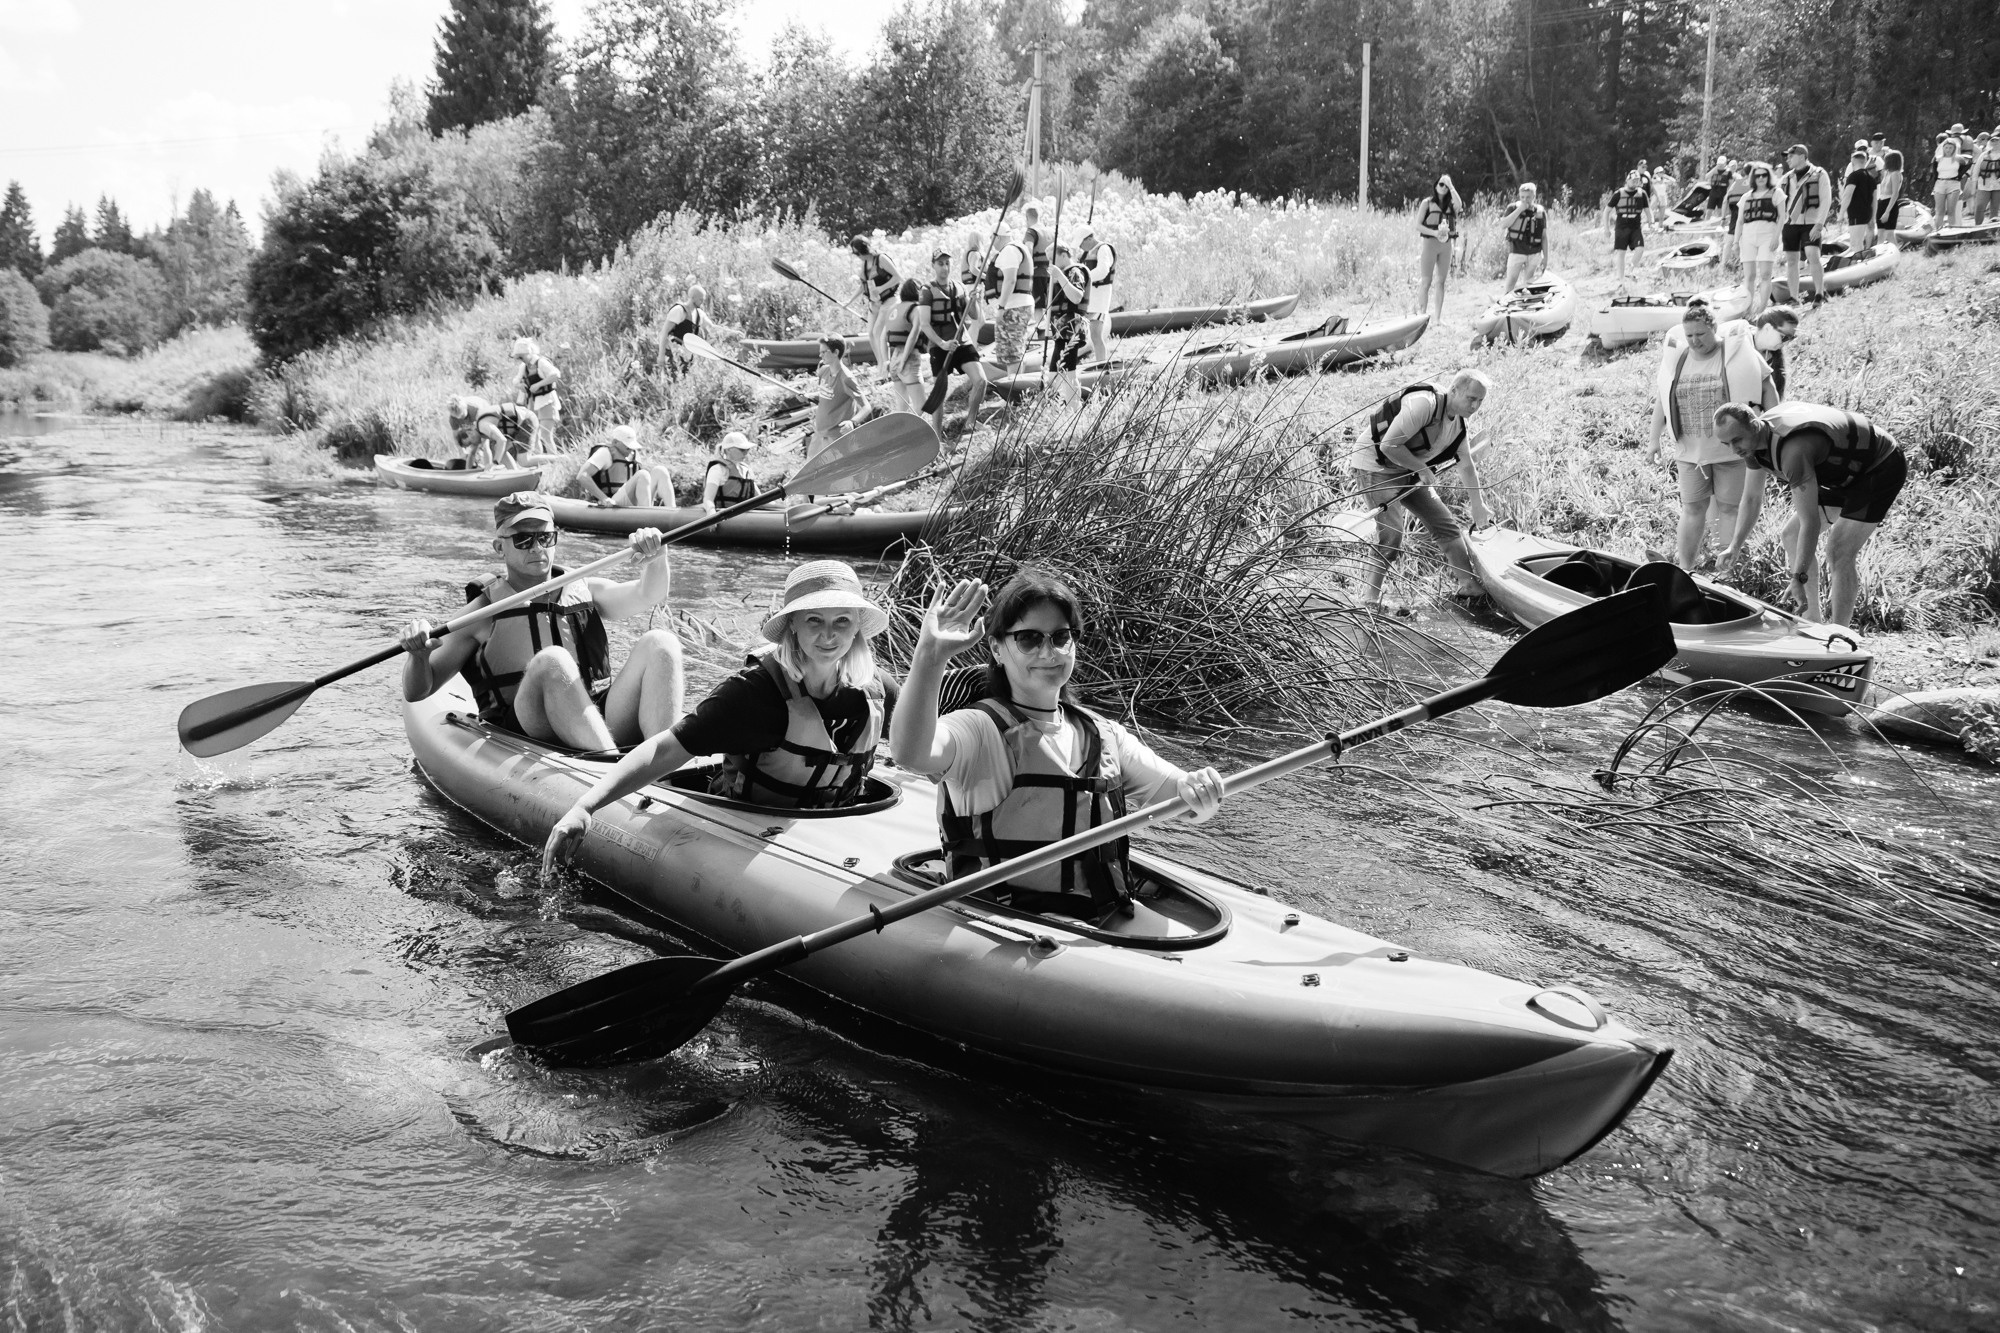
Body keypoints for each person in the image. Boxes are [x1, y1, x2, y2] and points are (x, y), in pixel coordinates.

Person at [889, 569, 1225, 922]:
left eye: (1060, 637)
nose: (1048, 652)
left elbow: (1185, 804)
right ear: (997, 649)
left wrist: (1201, 793)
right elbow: (910, 754)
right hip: (1003, 920)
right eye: (1029, 639)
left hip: (1097, 917)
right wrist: (930, 656)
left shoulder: (1103, 734)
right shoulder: (979, 729)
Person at [540, 563, 898, 871]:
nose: (829, 634)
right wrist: (585, 806)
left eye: (842, 621)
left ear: (857, 628)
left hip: (834, 828)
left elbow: (919, 751)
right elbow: (665, 750)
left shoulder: (878, 690)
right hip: (746, 826)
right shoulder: (753, 695)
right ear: (793, 627)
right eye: (814, 620)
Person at [400, 492, 683, 751]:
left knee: (661, 642)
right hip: (530, 726)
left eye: (545, 538)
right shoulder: (482, 613)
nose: (536, 548)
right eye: (523, 540)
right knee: (552, 661)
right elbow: (419, 691)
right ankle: (612, 765)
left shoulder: (585, 588)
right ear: (500, 547)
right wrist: (419, 657)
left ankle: (661, 762)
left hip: (598, 714)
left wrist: (656, 559)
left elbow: (649, 594)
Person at [1715, 401, 1907, 627]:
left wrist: (1799, 576)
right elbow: (1752, 498)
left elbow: (1811, 523)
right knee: (1791, 536)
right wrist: (1734, 546)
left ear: (1755, 425)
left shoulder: (1793, 451)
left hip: (1879, 466)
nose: (1734, 449)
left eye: (1736, 440)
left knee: (1839, 550)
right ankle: (1811, 622)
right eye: (1726, 443)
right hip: (1842, 471)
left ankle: (1840, 636)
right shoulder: (1752, 446)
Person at [1649, 299, 1780, 572]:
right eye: (1690, 336)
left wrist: (1775, 428)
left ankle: (1728, 572)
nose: (1695, 341)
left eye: (1701, 334)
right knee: (1692, 508)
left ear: (1714, 329)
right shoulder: (1680, 358)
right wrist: (1653, 441)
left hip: (1732, 452)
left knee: (1730, 508)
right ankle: (1686, 569)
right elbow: (1662, 400)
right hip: (1690, 452)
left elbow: (1767, 387)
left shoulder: (1735, 353)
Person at [1349, 370, 1494, 608]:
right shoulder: (1424, 405)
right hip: (1375, 468)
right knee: (1392, 536)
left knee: (1445, 524)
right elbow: (1389, 445)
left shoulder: (1458, 427)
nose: (1476, 405)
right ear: (1454, 390)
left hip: (1408, 470)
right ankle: (1369, 601)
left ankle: (1468, 586)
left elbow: (1467, 466)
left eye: (1480, 400)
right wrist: (1423, 469)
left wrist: (1478, 506)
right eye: (1471, 398)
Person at [912, 250, 988, 437]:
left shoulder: (960, 288)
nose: (945, 267)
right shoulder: (927, 291)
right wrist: (942, 343)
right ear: (933, 265)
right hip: (940, 346)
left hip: (962, 342)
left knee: (981, 381)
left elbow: (975, 316)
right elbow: (924, 324)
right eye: (940, 264)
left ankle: (970, 420)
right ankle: (937, 436)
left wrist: (975, 300)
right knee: (939, 393)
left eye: (947, 263)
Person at [1730, 162, 1785, 316]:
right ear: (1753, 177)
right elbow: (1740, 221)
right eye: (1758, 175)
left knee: (1766, 274)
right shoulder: (1746, 197)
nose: (1761, 178)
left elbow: (1782, 217)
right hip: (1748, 238)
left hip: (1767, 237)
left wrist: (1776, 237)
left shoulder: (1776, 193)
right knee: (1749, 276)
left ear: (1768, 176)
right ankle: (1747, 309)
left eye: (1764, 175)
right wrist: (1735, 243)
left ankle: (1762, 309)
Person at [1779, 144, 1831, 305]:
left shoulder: (1820, 174)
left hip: (1811, 223)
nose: (1787, 159)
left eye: (1790, 156)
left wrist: (1819, 225)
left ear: (1802, 156)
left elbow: (1825, 200)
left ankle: (1819, 294)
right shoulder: (1786, 178)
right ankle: (1794, 298)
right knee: (1792, 260)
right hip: (1790, 224)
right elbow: (1779, 203)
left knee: (1812, 256)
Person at [579, 424, 676, 509]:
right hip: (613, 502)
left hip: (633, 500)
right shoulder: (605, 453)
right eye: (627, 446)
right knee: (643, 475)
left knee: (660, 471)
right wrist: (604, 499)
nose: (630, 450)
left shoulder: (633, 454)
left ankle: (672, 513)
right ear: (615, 442)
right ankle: (646, 517)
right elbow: (582, 476)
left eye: (632, 447)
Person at [1044, 245, 1092, 408]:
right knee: (1055, 374)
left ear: (1064, 255)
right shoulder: (1062, 274)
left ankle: (1074, 408)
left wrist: (1060, 276)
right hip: (1062, 331)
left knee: (1067, 372)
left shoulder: (1074, 272)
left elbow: (1077, 297)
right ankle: (1061, 407)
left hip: (1073, 328)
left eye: (1053, 258)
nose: (1050, 262)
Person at [989, 223, 1038, 379]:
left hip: (1014, 306)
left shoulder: (1009, 251)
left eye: (992, 237)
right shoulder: (1016, 248)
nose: (991, 241)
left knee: (1012, 351)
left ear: (998, 237)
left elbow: (1010, 280)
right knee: (1014, 350)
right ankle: (1016, 383)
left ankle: (1014, 387)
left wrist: (1001, 307)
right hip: (1020, 304)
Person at [810, 337, 870, 458]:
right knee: (812, 474)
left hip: (836, 439)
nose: (820, 355)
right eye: (820, 351)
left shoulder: (846, 378)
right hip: (819, 434)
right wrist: (809, 396)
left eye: (824, 352)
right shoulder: (823, 371)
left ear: (836, 352)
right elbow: (828, 395)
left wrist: (852, 422)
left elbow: (866, 407)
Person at [1416, 175, 1463, 318]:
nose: (1443, 187)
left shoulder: (1452, 205)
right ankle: (1422, 316)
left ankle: (1437, 318)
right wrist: (1435, 233)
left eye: (1446, 185)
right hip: (1430, 245)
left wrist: (1451, 186)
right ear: (1435, 186)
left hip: (1446, 246)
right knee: (1426, 281)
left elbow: (1459, 205)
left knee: (1441, 282)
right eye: (1441, 184)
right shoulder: (1427, 203)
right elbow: (1418, 226)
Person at [448, 395, 537, 469]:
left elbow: (501, 440)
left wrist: (494, 463)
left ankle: (551, 459)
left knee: (523, 461)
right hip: (513, 426)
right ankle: (514, 472)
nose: (472, 445)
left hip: (525, 420)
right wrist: (467, 470)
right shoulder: (454, 420)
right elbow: (471, 449)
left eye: (470, 443)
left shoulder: (479, 417)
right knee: (498, 449)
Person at [852, 234, 901, 366]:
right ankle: (881, 365)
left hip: (889, 300)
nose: (858, 257)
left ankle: (887, 365)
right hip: (874, 304)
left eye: (858, 254)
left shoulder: (881, 259)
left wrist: (881, 288)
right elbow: (863, 286)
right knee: (871, 334)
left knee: (878, 332)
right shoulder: (864, 265)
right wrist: (849, 302)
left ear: (864, 251)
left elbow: (897, 277)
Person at [882, 271, 926, 415]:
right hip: (909, 358)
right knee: (920, 406)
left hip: (894, 358)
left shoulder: (893, 308)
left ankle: (902, 435)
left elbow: (883, 337)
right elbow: (913, 336)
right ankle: (921, 436)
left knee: (902, 407)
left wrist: (886, 361)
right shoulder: (917, 309)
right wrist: (904, 360)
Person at [510, 338, 562, 451]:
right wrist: (520, 386)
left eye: (521, 357)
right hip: (533, 402)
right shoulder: (524, 367)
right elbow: (515, 381)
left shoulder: (541, 362)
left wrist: (538, 385)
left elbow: (555, 375)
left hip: (547, 401)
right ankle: (541, 460)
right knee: (535, 435)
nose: (520, 360)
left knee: (546, 435)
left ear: (528, 353)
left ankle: (553, 460)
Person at [659, 284, 720, 375]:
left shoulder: (700, 314)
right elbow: (664, 333)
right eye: (701, 299)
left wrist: (734, 333)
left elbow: (712, 328)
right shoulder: (679, 310)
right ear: (693, 297)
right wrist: (661, 355)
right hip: (672, 354)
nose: (702, 302)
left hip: (687, 357)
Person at [1499, 183, 1548, 293]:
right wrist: (1519, 210)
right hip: (1517, 252)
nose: (1525, 200)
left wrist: (1545, 257)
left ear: (1534, 197)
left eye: (1528, 197)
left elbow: (1544, 237)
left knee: (1528, 284)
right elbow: (1503, 225)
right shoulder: (1512, 208)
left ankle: (1525, 305)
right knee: (1511, 281)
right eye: (1522, 197)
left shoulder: (1540, 212)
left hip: (1534, 253)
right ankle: (1506, 304)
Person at [1604, 169, 1649, 287]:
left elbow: (1648, 212)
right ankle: (1621, 281)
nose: (1635, 183)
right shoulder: (1618, 194)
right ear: (1627, 180)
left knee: (1640, 248)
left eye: (1637, 181)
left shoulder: (1642, 194)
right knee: (1621, 253)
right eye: (1633, 180)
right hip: (1621, 227)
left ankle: (1631, 270)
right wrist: (1606, 229)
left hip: (1635, 226)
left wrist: (1652, 223)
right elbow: (1607, 211)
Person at [700, 431, 762, 514]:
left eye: (747, 450)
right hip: (724, 517)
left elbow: (760, 500)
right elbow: (708, 499)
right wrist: (711, 512)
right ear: (728, 449)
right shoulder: (717, 469)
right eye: (742, 450)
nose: (746, 453)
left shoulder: (746, 470)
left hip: (744, 519)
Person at [1748, 305, 1801, 399]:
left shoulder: (1772, 356)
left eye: (1790, 338)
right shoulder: (1742, 345)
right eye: (1784, 337)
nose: (1786, 342)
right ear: (1767, 328)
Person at [1840, 148, 1879, 249]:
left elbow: (1847, 195)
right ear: (1865, 162)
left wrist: (1841, 214)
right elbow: (1874, 200)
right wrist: (1873, 217)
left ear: (1852, 162)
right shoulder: (1871, 178)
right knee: (1858, 244)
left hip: (1856, 215)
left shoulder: (1853, 176)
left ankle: (1861, 262)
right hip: (1867, 214)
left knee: (1856, 245)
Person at [1020, 203, 1052, 319]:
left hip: (1037, 274)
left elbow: (1029, 249)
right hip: (1051, 273)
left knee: (1038, 307)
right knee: (1050, 306)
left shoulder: (1031, 232)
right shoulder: (1050, 231)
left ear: (1027, 218)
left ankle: (1042, 334)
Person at [1934, 127, 1968, 226]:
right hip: (1940, 183)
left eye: (1950, 148)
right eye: (1946, 147)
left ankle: (1952, 232)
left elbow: (1965, 167)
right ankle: (1938, 231)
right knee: (1939, 211)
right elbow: (1934, 172)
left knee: (1951, 211)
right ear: (1943, 148)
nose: (1948, 150)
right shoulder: (1938, 159)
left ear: (1954, 149)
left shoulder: (1959, 159)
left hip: (1953, 184)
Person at [1874, 145, 1906, 232]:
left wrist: (1887, 212)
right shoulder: (1887, 173)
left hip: (1889, 203)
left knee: (1889, 234)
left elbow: (1895, 194)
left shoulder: (1896, 174)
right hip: (1881, 202)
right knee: (1880, 233)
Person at [1973, 130, 2000, 224]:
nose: (1995, 143)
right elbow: (1976, 171)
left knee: (1995, 208)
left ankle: (1992, 232)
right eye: (1993, 141)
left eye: (1997, 141)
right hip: (1983, 185)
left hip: (1998, 186)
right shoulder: (1984, 155)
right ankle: (1977, 227)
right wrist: (1973, 185)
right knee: (1980, 206)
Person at [1723, 160, 1752, 233]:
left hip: (1734, 204)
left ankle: (1731, 238)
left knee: (1733, 227)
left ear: (1744, 172)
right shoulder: (1755, 183)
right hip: (1747, 207)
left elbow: (1725, 200)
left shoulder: (1736, 182)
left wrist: (1723, 218)